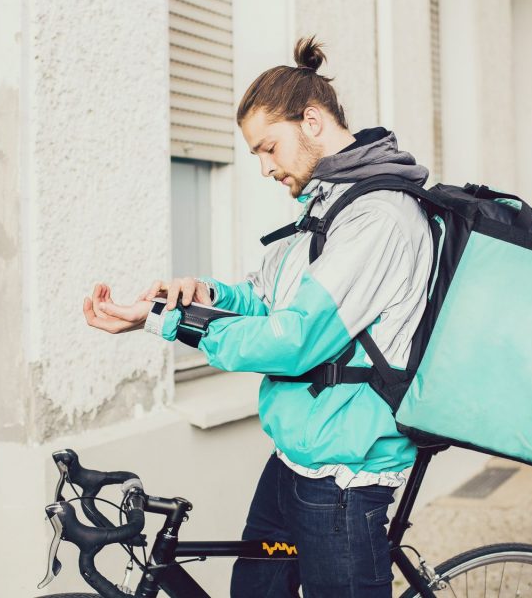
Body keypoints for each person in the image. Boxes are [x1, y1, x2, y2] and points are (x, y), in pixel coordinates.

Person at [84, 36, 433, 598]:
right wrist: (197, 296)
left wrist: (172, 326)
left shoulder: (377, 218)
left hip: (345, 475)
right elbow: (263, 295)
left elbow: (294, 338)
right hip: (296, 456)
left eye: (269, 148)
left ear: (312, 122)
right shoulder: (325, 205)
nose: (265, 168)